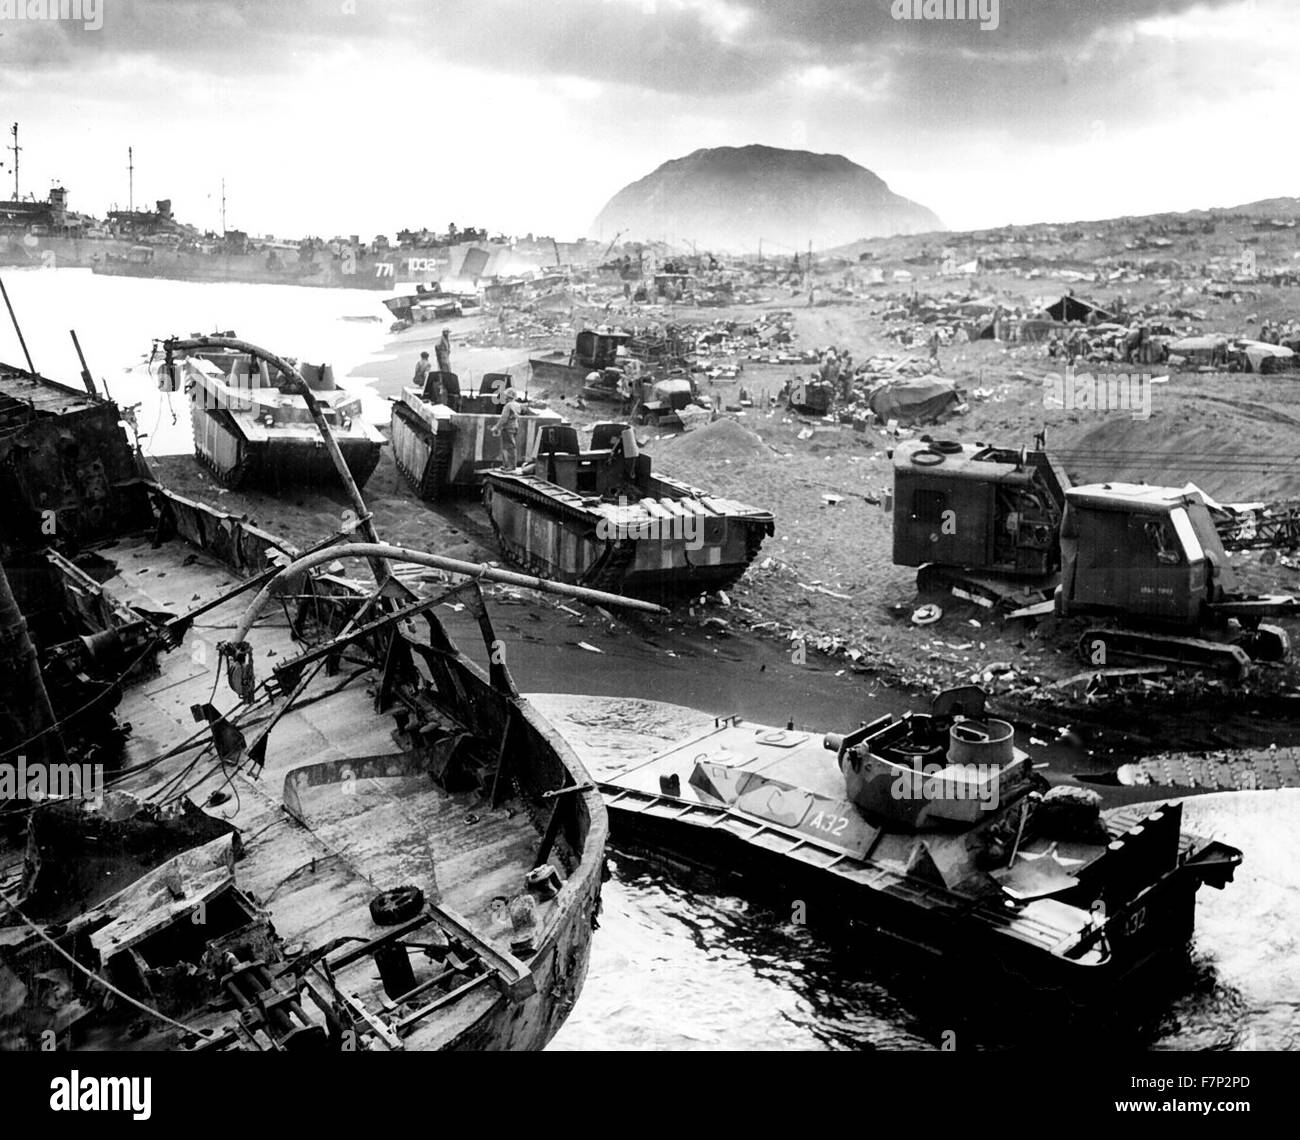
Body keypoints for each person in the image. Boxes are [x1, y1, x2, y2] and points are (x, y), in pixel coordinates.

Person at [492, 388, 521, 468]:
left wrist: (496, 427)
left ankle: (510, 466)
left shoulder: (508, 406)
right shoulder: (517, 405)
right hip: (514, 427)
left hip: (507, 428)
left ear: (508, 397)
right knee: (510, 446)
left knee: (508, 447)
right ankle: (506, 465)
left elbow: (504, 418)